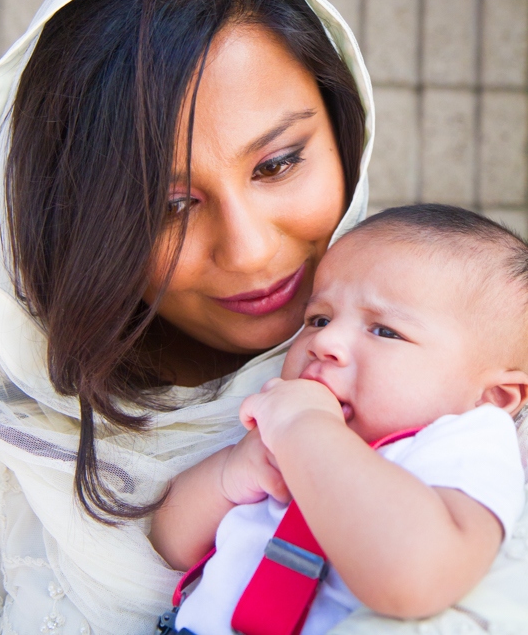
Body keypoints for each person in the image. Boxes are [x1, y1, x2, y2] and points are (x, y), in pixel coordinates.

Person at [0, 0, 526, 635]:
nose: (249, 250)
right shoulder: (12, 449)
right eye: (168, 204)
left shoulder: (464, 392)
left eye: (276, 164)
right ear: (80, 221)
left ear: (340, 128)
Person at [150, 204, 528, 635]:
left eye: (384, 331)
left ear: (494, 397)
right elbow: (171, 543)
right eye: (318, 319)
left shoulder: (467, 442)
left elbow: (417, 579)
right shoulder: (285, 428)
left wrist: (309, 431)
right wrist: (232, 472)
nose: (324, 341)